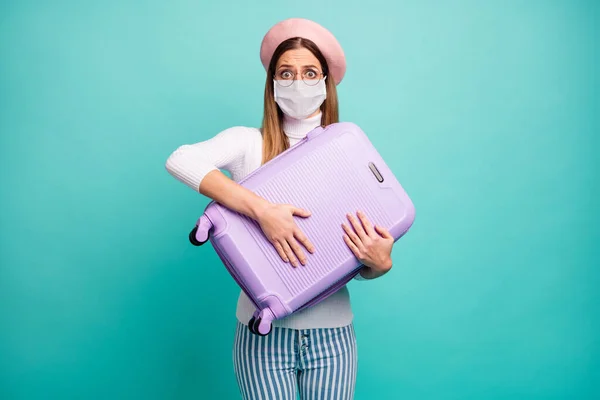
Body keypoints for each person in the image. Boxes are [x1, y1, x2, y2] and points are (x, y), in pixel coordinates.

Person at [166, 18, 395, 400]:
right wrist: (262, 211)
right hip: (261, 336)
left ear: (326, 83)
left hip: (333, 337)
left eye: (310, 73)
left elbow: (346, 263)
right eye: (286, 73)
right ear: (272, 84)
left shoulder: (348, 156)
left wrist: (378, 265)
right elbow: (181, 160)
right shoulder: (247, 144)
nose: (298, 83)